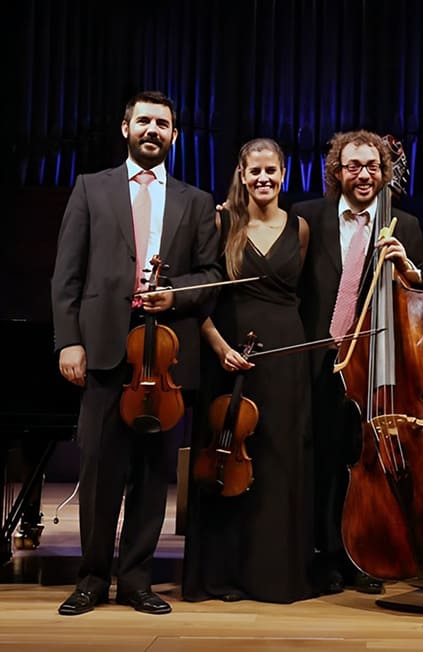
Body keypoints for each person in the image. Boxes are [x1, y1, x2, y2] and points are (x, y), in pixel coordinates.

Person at [51, 90, 220, 615]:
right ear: (125, 128)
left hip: (163, 357)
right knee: (100, 470)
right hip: (102, 347)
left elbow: (212, 277)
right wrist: (68, 340)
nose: (153, 130)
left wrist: (177, 294)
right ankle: (92, 577)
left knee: (152, 474)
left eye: (163, 124)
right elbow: (67, 275)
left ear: (175, 136)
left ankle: (137, 579)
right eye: (144, 121)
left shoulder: (195, 201)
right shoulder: (90, 188)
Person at [293, 129, 423, 595]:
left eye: (372, 166)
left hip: (374, 365)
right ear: (337, 171)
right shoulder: (306, 217)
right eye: (353, 165)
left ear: (384, 171)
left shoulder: (404, 225)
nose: (364, 174)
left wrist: (409, 267)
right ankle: (322, 555)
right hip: (318, 359)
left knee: (363, 463)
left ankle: (362, 555)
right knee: (322, 463)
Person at [181, 138, 316, 603]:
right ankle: (222, 576)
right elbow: (200, 297)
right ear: (241, 173)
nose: (263, 179)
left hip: (286, 357)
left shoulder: (300, 227)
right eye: (254, 170)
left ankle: (273, 576)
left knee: (279, 461)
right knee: (226, 461)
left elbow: (308, 296)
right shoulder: (222, 222)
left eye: (271, 171)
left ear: (284, 173)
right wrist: (218, 348)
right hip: (229, 355)